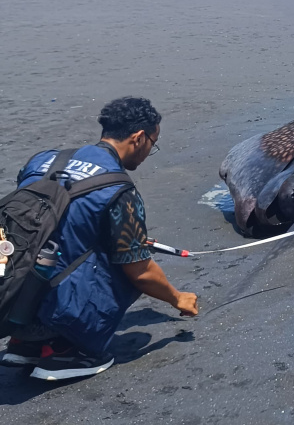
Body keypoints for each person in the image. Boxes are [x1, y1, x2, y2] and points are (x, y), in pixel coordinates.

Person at [1, 97, 198, 381]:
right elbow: (140, 271)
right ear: (139, 138)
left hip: (10, 292)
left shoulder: (44, 159)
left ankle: (27, 341)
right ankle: (72, 350)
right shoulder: (119, 188)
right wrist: (178, 298)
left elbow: (50, 221)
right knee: (128, 262)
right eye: (152, 145)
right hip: (56, 304)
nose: (148, 153)